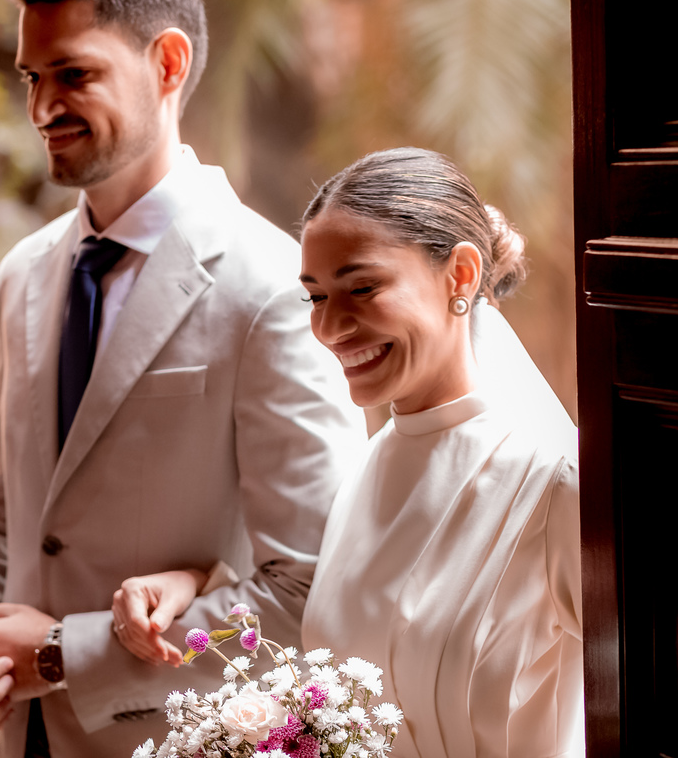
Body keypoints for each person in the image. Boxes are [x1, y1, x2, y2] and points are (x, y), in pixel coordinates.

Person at [0, 0, 366, 757]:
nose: (41, 108)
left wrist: (61, 654)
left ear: (167, 64)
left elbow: (311, 593)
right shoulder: (23, 274)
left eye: (74, 74)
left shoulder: (268, 286)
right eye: (30, 77)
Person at [114, 147, 584, 756]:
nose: (331, 328)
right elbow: (348, 631)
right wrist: (197, 582)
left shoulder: (556, 485)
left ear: (460, 276)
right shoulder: (364, 469)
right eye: (315, 297)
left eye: (362, 287)